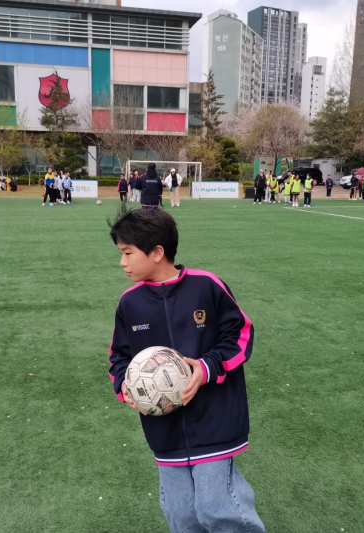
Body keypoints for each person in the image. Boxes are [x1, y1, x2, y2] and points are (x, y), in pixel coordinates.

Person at [108, 207, 265, 533]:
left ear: (157, 252)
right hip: (164, 432)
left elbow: (240, 334)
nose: (122, 262)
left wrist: (206, 367)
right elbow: (118, 356)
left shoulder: (205, 286)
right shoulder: (129, 303)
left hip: (216, 422)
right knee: (181, 516)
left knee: (217, 509)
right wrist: (124, 385)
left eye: (127, 253)